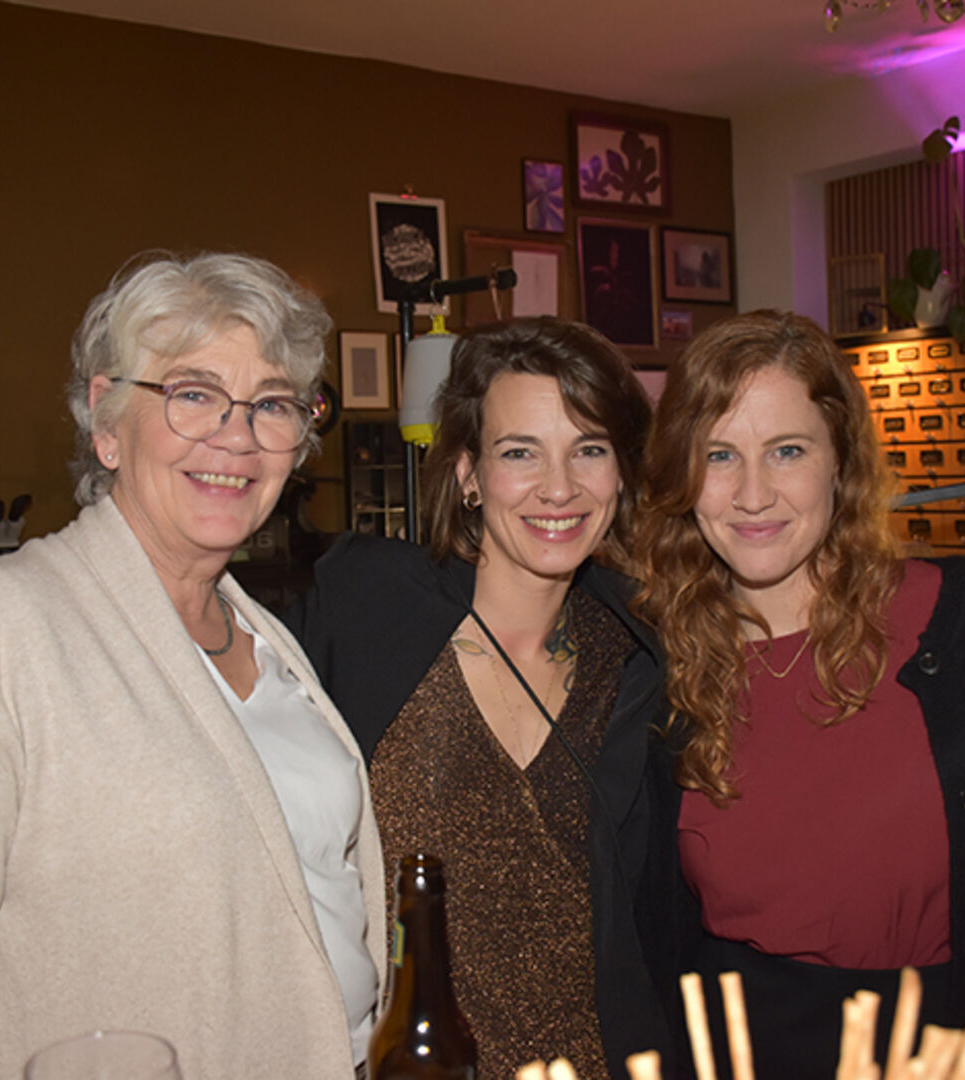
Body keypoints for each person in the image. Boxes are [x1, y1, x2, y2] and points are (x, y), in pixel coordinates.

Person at [0, 253, 382, 1079]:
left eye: (271, 404)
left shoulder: (260, 632)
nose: (238, 436)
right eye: (192, 394)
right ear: (106, 423)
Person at [631, 310, 965, 1078]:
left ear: (840, 462)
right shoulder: (658, 665)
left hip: (941, 1053)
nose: (752, 493)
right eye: (718, 454)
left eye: (786, 451)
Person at [286, 317, 679, 1080]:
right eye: (519, 452)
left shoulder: (638, 656)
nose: (558, 487)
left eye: (588, 450)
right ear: (467, 472)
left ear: (621, 472)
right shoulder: (366, 609)